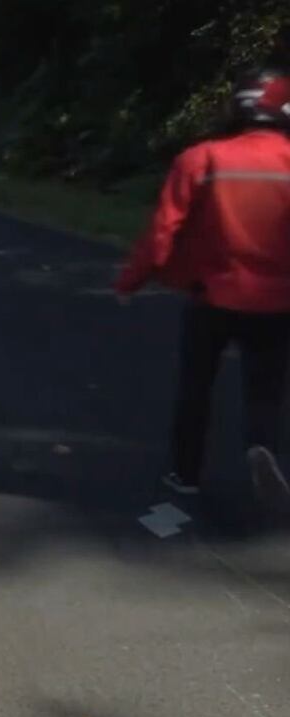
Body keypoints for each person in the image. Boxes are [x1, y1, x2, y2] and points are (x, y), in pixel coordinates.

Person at [115, 66, 290, 500]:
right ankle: (261, 444)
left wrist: (130, 282)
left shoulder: (201, 159)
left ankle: (186, 474)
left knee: (195, 387)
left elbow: (162, 233)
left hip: (211, 297)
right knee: (265, 388)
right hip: (277, 302)